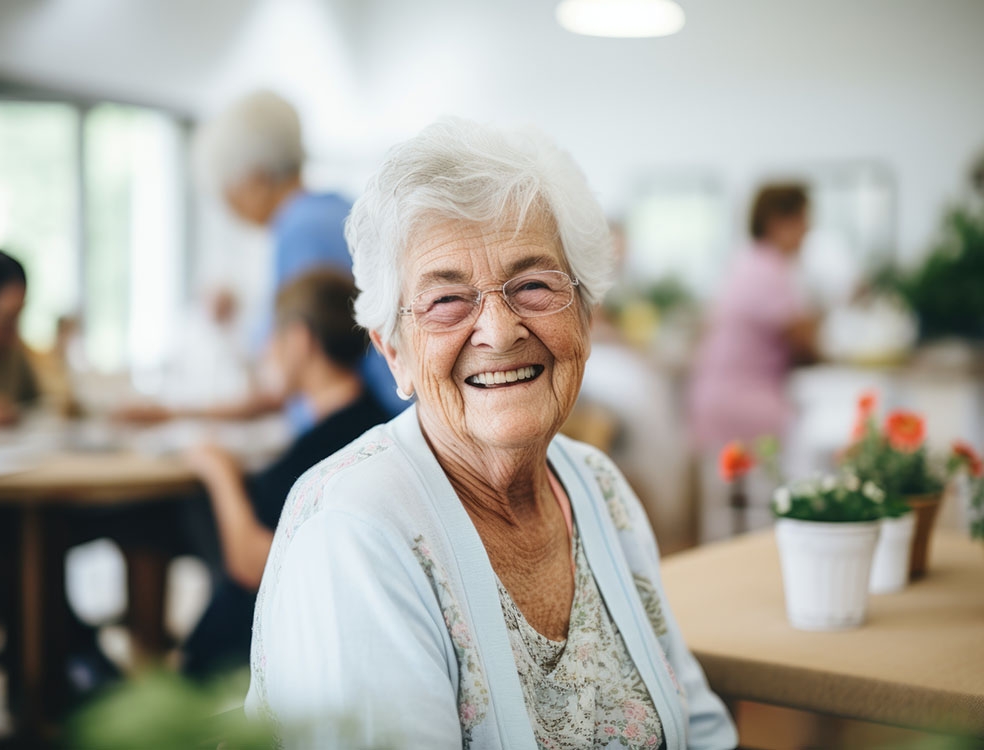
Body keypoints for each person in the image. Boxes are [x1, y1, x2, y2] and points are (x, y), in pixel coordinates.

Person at [246, 119, 737, 749]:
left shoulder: (599, 487)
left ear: (586, 318)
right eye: (447, 300)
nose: (500, 332)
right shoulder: (355, 531)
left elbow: (699, 727)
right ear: (393, 352)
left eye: (534, 285)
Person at [180, 270, 389, 677]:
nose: (266, 352)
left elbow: (253, 563)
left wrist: (220, 472)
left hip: (257, 663)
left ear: (299, 340)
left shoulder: (330, 447)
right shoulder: (368, 420)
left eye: (272, 337)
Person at [192, 89, 401, 426]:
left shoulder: (299, 230)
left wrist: (173, 414)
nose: (227, 205)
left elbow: (297, 358)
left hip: (352, 429)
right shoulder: (338, 210)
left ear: (256, 179)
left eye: (227, 189)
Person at [688, 184, 820, 539]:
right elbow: (806, 343)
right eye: (804, 220)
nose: (809, 230)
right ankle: (793, 533)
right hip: (743, 401)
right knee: (812, 441)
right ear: (780, 222)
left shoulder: (746, 263)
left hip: (713, 397)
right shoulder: (771, 270)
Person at [0, 249, 39, 426]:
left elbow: (42, 403)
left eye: (18, 318)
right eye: (5, 321)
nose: (14, 334)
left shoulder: (13, 353)